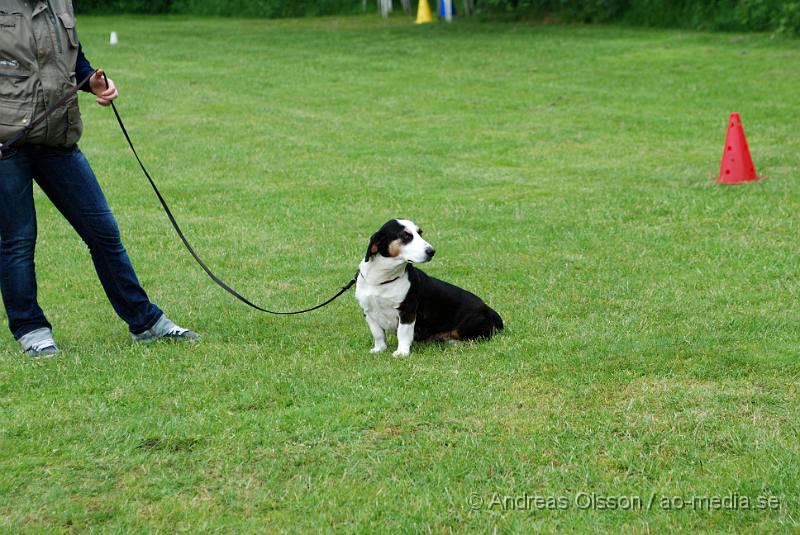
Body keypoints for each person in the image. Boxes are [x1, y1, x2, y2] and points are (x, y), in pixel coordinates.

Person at [0, 0, 198, 357]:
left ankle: (145, 322)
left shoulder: (59, 2)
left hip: (57, 135)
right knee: (18, 239)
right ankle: (31, 330)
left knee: (103, 230)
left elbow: (70, 61)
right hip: (6, 144)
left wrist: (92, 82)